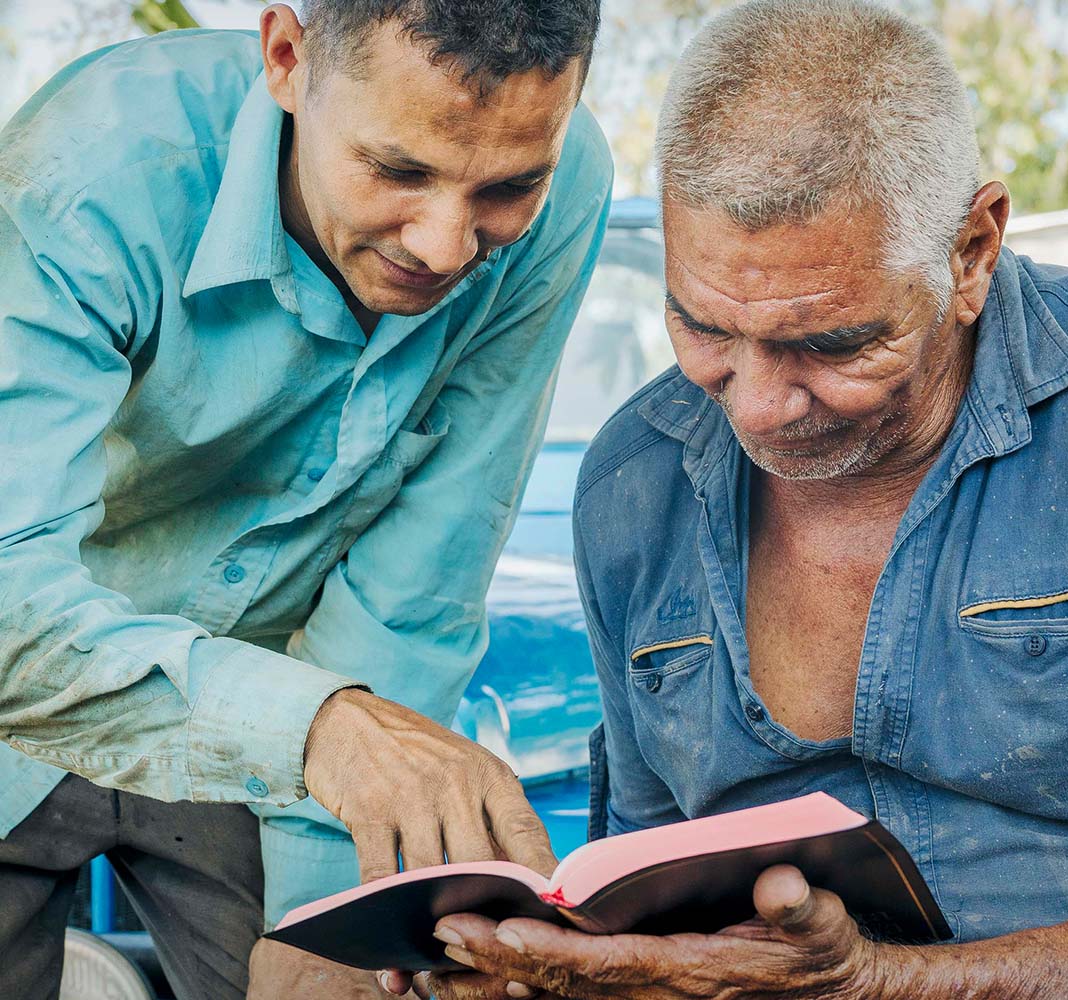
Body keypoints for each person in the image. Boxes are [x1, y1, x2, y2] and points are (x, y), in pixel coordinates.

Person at [415, 2, 1068, 998]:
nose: (761, 407)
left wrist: (893, 987)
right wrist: (559, 969)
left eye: (831, 345)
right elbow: (642, 899)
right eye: (703, 329)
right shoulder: (633, 483)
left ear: (972, 252)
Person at [0, 0, 611, 996]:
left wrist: (326, 923)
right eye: (400, 171)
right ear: (287, 60)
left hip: (280, 734)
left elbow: (420, 576)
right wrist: (322, 731)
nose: (448, 245)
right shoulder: (85, 180)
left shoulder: (568, 183)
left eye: (506, 187)